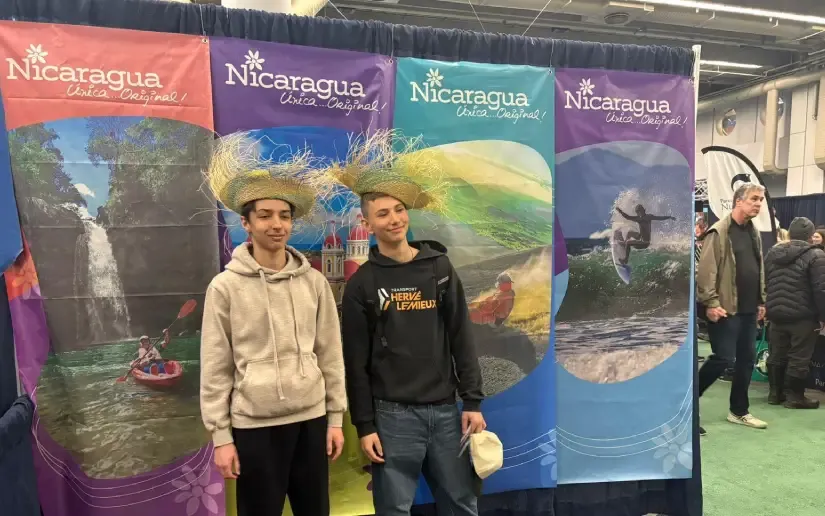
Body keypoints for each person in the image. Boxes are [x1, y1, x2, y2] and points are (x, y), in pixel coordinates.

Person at [336, 131, 485, 516]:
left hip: (446, 412)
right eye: (382, 213)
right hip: (391, 418)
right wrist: (365, 425)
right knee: (393, 509)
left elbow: (461, 337)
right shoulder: (361, 285)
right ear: (367, 223)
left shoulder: (439, 268)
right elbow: (355, 363)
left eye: (399, 209)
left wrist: (471, 401)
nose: (394, 219)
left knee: (461, 503)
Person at [199, 133, 347, 516]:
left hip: (311, 419)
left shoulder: (314, 282)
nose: (276, 224)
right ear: (246, 223)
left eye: (284, 215)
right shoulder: (225, 287)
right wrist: (221, 437)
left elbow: (330, 354)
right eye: (264, 215)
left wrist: (335, 419)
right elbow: (216, 367)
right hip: (254, 426)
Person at [697, 182, 768, 434]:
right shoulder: (718, 232)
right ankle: (687, 408)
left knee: (746, 361)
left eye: (760, 200)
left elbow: (757, 268)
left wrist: (761, 300)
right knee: (723, 358)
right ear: (738, 201)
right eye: (754, 199)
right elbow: (706, 271)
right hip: (724, 309)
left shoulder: (753, 232)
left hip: (748, 309)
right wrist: (711, 303)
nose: (758, 204)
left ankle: (738, 411)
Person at [764, 217, 824, 409]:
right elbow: (821, 289)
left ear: (789, 233)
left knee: (777, 354)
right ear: (810, 236)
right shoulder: (816, 255)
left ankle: (775, 394)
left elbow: (765, 281)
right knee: (799, 356)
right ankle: (795, 397)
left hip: (775, 313)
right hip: (803, 317)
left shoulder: (772, 253)